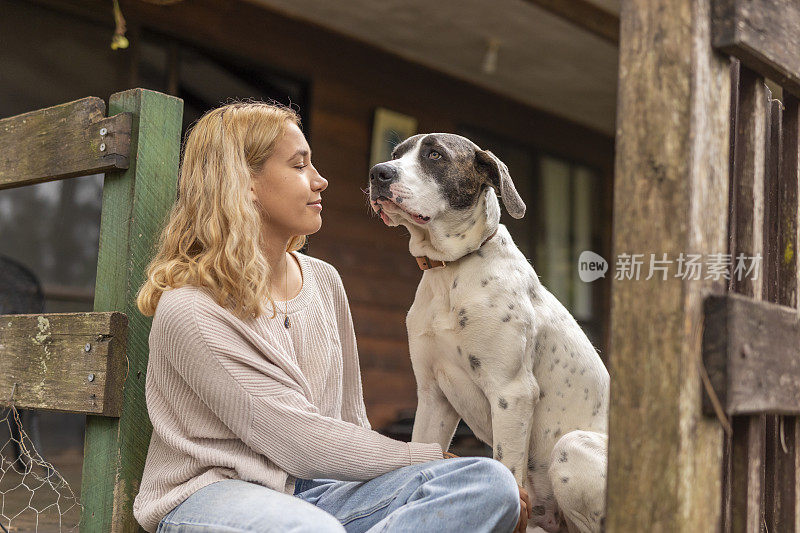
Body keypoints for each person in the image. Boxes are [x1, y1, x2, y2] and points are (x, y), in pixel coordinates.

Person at [131, 101, 530, 533]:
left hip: (320, 490)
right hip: (212, 494)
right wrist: (427, 458)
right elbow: (296, 440)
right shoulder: (190, 307)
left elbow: (348, 422)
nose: (320, 180)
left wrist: (427, 475)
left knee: (490, 483)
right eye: (300, 165)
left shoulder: (323, 281)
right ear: (243, 182)